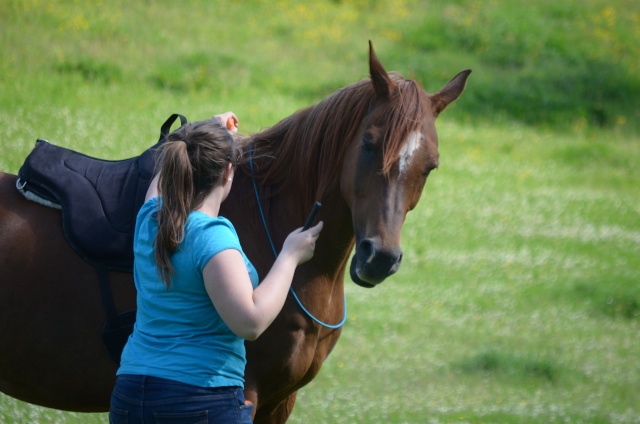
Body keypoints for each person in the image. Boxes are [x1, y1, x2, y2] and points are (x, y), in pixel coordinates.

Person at [109, 112, 323, 424]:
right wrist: (290, 255)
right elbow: (250, 323)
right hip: (198, 400)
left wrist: (207, 128)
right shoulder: (212, 236)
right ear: (227, 173)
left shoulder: (150, 217)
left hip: (130, 396)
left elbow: (160, 182)